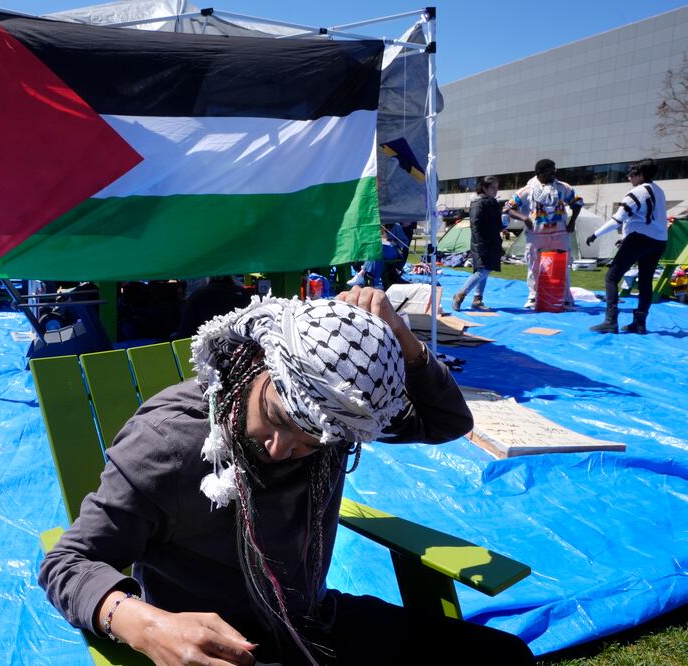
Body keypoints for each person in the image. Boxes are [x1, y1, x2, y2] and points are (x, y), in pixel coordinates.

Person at [39, 288, 534, 665]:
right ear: (259, 364)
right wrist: (146, 627)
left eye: (310, 439)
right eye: (276, 417)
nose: (281, 448)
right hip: (221, 647)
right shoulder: (168, 443)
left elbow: (448, 421)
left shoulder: (338, 416)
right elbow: (70, 560)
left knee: (506, 656)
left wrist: (402, 339)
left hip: (312, 622)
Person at [586, 159, 668, 334]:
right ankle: (640, 323)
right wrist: (626, 238)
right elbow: (649, 219)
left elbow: (618, 219)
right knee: (646, 281)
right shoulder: (659, 191)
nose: (629, 177)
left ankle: (610, 321)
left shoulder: (637, 192)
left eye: (631, 174)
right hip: (659, 241)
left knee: (611, 277)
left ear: (640, 175)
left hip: (640, 239)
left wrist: (595, 234)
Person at [504, 159, 583, 309]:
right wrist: (524, 218)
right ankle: (534, 296)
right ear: (540, 172)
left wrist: (572, 222)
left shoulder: (563, 188)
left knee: (563, 266)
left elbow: (577, 203)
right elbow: (508, 208)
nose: (554, 172)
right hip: (536, 235)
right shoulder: (526, 191)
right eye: (550, 170)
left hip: (559, 234)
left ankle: (565, 298)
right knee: (534, 266)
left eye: (554, 169)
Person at [453, 176, 505, 311]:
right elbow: (476, 225)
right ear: (484, 188)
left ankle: (477, 299)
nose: (496, 190)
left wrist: (503, 222)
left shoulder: (492, 202)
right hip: (482, 243)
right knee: (482, 271)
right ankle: (460, 295)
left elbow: (497, 225)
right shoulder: (479, 203)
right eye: (493, 187)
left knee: (484, 271)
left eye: (497, 187)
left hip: (491, 242)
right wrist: (481, 244)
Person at [174, 275, 251, 339]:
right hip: (241, 346)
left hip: (208, 348)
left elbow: (184, 332)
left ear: (208, 277)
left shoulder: (197, 296)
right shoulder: (244, 294)